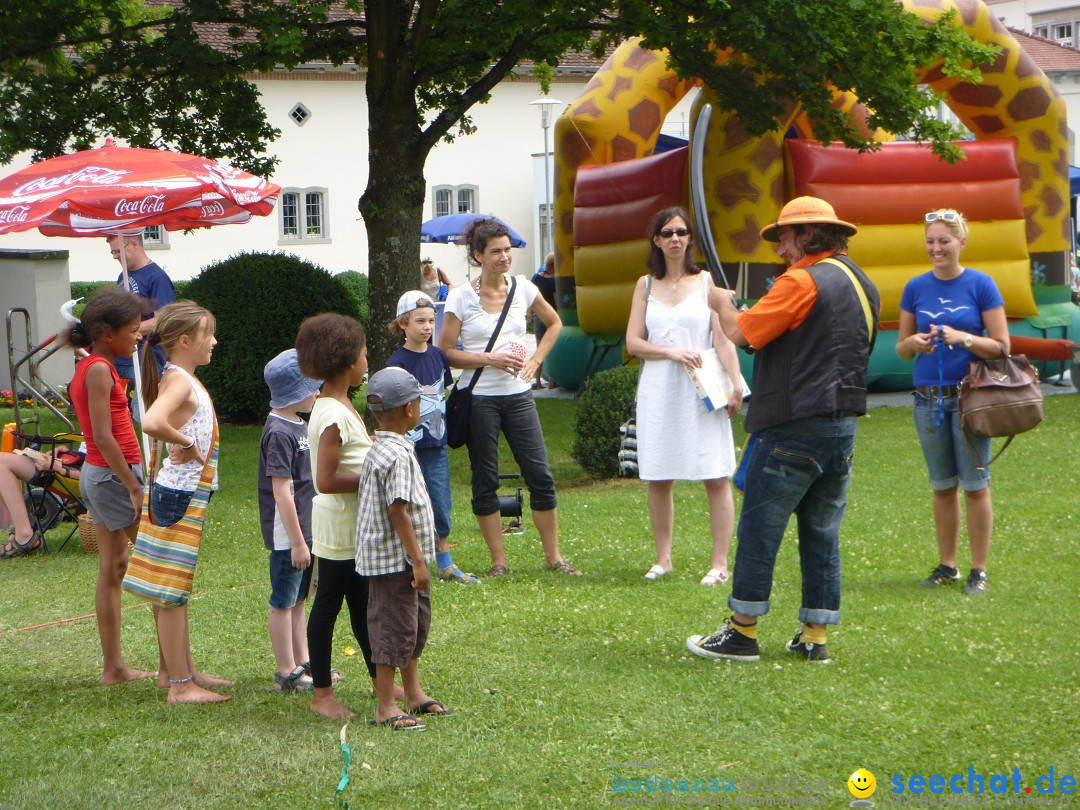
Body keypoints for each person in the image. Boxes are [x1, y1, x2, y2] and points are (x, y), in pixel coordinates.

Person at [687, 196, 880, 664]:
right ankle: (815, 636)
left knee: (759, 530)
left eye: (786, 237)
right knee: (822, 532)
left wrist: (720, 304)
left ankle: (742, 633)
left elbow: (741, 334)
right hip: (842, 427)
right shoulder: (863, 282)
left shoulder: (801, 281)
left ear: (809, 235)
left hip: (792, 426)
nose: (781, 248)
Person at [438, 218, 581, 578]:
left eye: (508, 250)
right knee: (485, 479)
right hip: (480, 399)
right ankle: (498, 563)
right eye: (496, 251)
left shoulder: (524, 288)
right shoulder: (460, 297)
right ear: (478, 255)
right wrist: (490, 358)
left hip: (518, 396)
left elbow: (555, 323)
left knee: (540, 475)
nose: (505, 257)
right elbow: (447, 351)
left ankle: (554, 558)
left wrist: (535, 360)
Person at [625, 207, 744, 587]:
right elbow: (633, 342)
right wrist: (671, 352)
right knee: (659, 475)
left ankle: (720, 563)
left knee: (715, 473)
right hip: (659, 389)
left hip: (703, 388)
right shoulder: (644, 285)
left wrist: (736, 383)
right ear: (656, 240)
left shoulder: (709, 284)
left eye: (681, 231)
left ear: (690, 238)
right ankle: (663, 559)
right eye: (667, 232)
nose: (675, 238)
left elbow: (723, 340)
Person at [897, 209, 1009, 596]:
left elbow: (1001, 347)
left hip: (969, 401)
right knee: (942, 486)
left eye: (944, 240)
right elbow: (902, 350)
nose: (936, 248)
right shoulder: (915, 288)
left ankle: (979, 570)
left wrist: (962, 338)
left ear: (961, 242)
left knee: (975, 486)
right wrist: (912, 344)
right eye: (930, 241)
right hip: (927, 400)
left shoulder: (981, 285)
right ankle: (948, 565)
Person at [140, 301, 233, 703]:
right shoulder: (179, 380)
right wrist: (188, 442)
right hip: (178, 494)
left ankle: (176, 671)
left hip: (177, 492)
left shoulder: (178, 376)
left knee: (170, 589)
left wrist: (180, 439)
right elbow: (151, 422)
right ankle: (181, 686)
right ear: (184, 341)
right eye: (207, 334)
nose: (213, 341)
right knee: (173, 591)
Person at [64, 287, 156, 684]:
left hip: (103, 474)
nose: (138, 336)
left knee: (114, 567)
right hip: (112, 474)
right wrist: (133, 485)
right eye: (133, 330)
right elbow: (102, 436)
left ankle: (114, 667)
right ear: (106, 334)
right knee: (156, 565)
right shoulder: (99, 369)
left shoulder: (92, 365)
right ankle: (177, 669)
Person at [296, 313, 382, 718]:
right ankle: (323, 695)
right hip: (339, 531)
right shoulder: (331, 412)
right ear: (349, 362)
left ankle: (380, 680)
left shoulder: (341, 403)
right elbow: (326, 479)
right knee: (328, 607)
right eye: (365, 353)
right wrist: (377, 473)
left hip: (354, 530)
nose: (368, 359)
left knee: (362, 605)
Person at [358, 367, 449, 730]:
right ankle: (385, 706)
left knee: (411, 625)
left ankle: (413, 692)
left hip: (403, 561)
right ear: (411, 409)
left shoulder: (383, 447)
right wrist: (419, 560)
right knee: (392, 630)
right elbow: (398, 509)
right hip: (397, 562)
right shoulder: (397, 455)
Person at [387, 291, 477, 584]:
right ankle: (411, 560)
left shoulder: (438, 356)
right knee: (410, 503)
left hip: (436, 445)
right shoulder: (396, 363)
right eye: (420, 321)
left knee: (440, 502)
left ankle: (445, 562)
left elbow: (442, 394)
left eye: (430, 320)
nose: (427, 326)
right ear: (403, 323)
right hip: (407, 448)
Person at [259, 349, 322, 692]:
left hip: (305, 530)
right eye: (313, 387)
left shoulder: (298, 423)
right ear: (296, 391)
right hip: (288, 537)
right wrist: (297, 541)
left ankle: (303, 661)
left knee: (299, 600)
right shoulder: (280, 431)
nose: (317, 392)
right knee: (283, 601)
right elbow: (282, 492)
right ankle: (286, 671)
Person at [107, 231, 175, 385]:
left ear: (134, 244)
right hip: (121, 357)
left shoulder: (157, 277)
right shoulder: (122, 276)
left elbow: (160, 321)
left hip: (146, 358)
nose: (114, 256)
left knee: (142, 408)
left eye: (118, 251)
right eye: (113, 252)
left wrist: (125, 332)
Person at [0, 445, 84, 557]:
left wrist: (61, 470)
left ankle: (24, 535)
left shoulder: (106, 434)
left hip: (77, 477)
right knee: (4, 460)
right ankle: (19, 531)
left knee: (2, 463)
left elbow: (107, 472)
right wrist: (63, 452)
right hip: (67, 464)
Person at [530, 252, 558, 389]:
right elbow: (556, 301)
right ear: (553, 265)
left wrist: (531, 314)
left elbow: (531, 299)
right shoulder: (553, 281)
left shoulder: (535, 278)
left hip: (537, 317)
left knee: (539, 349)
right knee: (551, 349)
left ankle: (538, 381)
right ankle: (552, 381)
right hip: (550, 318)